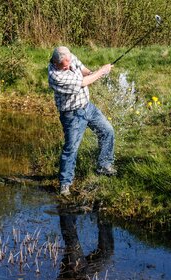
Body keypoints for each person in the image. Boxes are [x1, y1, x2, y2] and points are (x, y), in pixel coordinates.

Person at [48, 46, 117, 196]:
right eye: (64, 65)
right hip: (71, 115)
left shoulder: (68, 56)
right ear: (56, 62)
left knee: (107, 131)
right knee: (71, 148)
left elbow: (82, 69)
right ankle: (65, 184)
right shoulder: (56, 76)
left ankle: (104, 165)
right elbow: (83, 82)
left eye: (68, 62)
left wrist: (93, 73)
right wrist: (101, 72)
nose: (68, 66)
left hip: (88, 107)